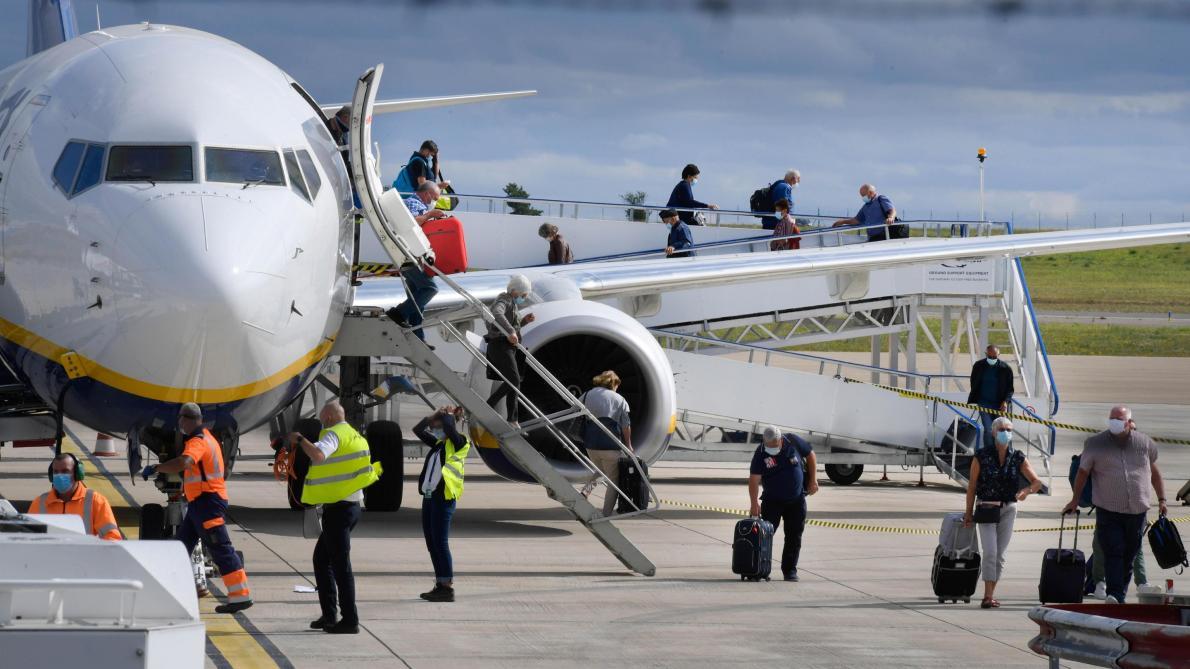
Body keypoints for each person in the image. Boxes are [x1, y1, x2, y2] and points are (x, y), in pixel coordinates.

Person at [144, 403, 251, 613]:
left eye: (180, 420)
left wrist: (157, 467)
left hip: (207, 502)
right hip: (198, 504)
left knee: (220, 547)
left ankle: (240, 596)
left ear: (186, 419)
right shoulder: (209, 438)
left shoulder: (198, 441)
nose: (179, 424)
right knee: (180, 547)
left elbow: (184, 462)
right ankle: (167, 592)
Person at [289, 400, 381, 634]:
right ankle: (329, 615)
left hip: (340, 510)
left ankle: (349, 620)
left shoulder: (333, 434)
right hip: (350, 507)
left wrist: (299, 440)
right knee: (322, 560)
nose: (321, 424)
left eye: (322, 419)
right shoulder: (355, 435)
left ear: (329, 418)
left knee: (341, 567)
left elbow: (318, 455)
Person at [1064, 406, 1167, 604]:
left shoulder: (1144, 444)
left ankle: (1118, 593)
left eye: (1119, 419)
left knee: (1129, 554)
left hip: (1137, 510)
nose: (1114, 422)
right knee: (1113, 551)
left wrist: (1162, 499)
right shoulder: (1096, 444)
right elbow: (1083, 473)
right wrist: (1075, 500)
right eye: (1112, 418)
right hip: (1108, 510)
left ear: (1129, 422)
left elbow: (1154, 473)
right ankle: (1114, 593)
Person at [962, 417, 1043, 609]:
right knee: (990, 551)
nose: (1005, 432)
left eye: (1009, 429)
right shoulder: (981, 456)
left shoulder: (1018, 457)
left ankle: (989, 595)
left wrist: (1026, 491)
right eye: (1002, 429)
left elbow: (1037, 482)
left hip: (1008, 508)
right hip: (987, 508)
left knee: (1000, 555)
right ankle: (987, 596)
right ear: (993, 432)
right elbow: (972, 486)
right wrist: (968, 513)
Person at [413, 405, 470, 602]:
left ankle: (446, 586)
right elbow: (418, 430)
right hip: (429, 497)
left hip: (444, 497)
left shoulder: (459, 443)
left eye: (438, 427)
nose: (436, 430)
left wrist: (448, 416)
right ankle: (439, 583)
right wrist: (435, 414)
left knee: (440, 542)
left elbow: (450, 429)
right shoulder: (439, 445)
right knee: (432, 542)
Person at [748, 425, 817, 581]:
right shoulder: (760, 453)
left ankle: (790, 571)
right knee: (764, 536)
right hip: (772, 501)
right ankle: (759, 569)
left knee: (794, 536)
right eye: (767, 446)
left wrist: (813, 480)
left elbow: (810, 454)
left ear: (779, 440)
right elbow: (754, 479)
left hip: (796, 500)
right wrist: (754, 504)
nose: (770, 448)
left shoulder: (792, 440)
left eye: (773, 445)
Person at [386, 182, 448, 343]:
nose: (433, 202)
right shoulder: (413, 203)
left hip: (411, 256)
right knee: (430, 288)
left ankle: (418, 338)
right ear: (426, 194)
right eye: (434, 198)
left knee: (416, 300)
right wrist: (429, 215)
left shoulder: (418, 203)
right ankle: (398, 313)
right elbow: (411, 223)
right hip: (409, 256)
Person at [28, 452, 122, 540]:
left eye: (65, 471)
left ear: (78, 474)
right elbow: (28, 538)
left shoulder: (96, 501)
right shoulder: (39, 503)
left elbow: (112, 538)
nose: (60, 476)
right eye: (56, 472)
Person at [580, 370, 632, 516]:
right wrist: (628, 445)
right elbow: (626, 425)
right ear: (613, 383)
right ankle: (606, 514)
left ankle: (585, 492)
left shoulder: (588, 394)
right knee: (614, 482)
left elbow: (574, 409)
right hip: (610, 446)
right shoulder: (620, 399)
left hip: (590, 444)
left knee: (601, 470)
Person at [485, 275, 536, 425]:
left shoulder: (512, 303)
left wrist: (524, 321)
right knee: (513, 380)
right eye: (524, 294)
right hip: (500, 346)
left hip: (507, 347)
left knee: (515, 381)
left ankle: (513, 419)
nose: (524, 298)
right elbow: (497, 313)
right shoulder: (504, 300)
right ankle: (489, 405)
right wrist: (510, 332)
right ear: (515, 291)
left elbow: (513, 326)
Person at [967, 345, 1013, 448]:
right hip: (984, 403)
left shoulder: (1005, 368)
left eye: (994, 357)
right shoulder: (978, 366)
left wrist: (1005, 401)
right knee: (988, 429)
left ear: (999, 355)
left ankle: (1002, 452)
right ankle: (989, 452)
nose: (992, 359)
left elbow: (1010, 389)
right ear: (986, 354)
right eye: (990, 357)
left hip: (1000, 405)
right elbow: (973, 382)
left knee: (1001, 430)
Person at [832, 184, 897, 242]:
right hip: (872, 237)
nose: (863, 198)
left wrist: (891, 217)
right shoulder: (865, 206)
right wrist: (842, 222)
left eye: (863, 195)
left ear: (870, 192)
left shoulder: (881, 199)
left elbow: (892, 210)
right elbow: (857, 220)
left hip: (884, 235)